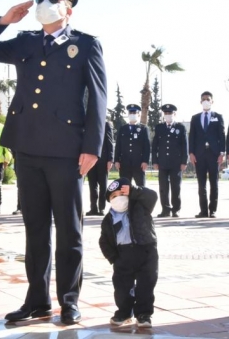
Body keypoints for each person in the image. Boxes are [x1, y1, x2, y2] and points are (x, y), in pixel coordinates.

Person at [0, 0, 107, 325]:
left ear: (68, 9)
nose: (44, 2)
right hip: (27, 147)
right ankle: (37, 300)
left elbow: (99, 99)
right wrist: (4, 21)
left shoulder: (86, 45)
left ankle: (69, 300)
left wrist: (93, 147)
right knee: (35, 229)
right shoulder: (25, 41)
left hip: (66, 151)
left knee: (69, 231)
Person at [99, 177, 158, 328]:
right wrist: (114, 258)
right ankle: (124, 312)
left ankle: (144, 314)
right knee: (122, 287)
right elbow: (104, 241)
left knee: (146, 285)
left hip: (146, 252)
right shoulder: (108, 220)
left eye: (122, 194)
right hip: (123, 256)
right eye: (114, 196)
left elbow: (152, 196)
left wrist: (135, 191)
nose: (118, 198)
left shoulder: (141, 206)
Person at [188, 92, 225, 218]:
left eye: (208, 99)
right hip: (199, 155)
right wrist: (191, 153)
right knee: (201, 184)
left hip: (214, 154)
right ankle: (203, 210)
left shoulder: (218, 117)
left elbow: (222, 136)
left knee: (214, 183)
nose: (206, 101)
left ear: (212, 101)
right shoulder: (195, 118)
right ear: (200, 102)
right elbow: (192, 136)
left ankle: (212, 210)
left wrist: (222, 153)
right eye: (203, 99)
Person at [152, 104, 188, 218]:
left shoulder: (180, 127)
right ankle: (165, 209)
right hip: (162, 162)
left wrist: (184, 161)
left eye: (170, 113)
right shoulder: (159, 127)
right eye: (166, 113)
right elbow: (155, 146)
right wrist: (155, 161)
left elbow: (184, 146)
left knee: (175, 187)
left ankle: (176, 209)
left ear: (174, 114)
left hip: (176, 163)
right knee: (163, 187)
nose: (168, 115)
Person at [115, 105, 150, 187]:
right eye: (131, 112)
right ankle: (127, 201)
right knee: (124, 187)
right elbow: (118, 146)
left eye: (135, 112)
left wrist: (145, 161)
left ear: (138, 114)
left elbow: (146, 147)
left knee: (141, 187)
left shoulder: (143, 129)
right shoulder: (123, 129)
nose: (132, 114)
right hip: (124, 163)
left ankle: (140, 200)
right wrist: (116, 160)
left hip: (139, 164)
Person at [86, 121, 114, 216]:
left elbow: (110, 142)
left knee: (103, 185)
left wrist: (110, 159)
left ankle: (101, 208)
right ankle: (93, 208)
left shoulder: (106, 125)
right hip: (91, 159)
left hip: (103, 159)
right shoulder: (88, 124)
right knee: (92, 185)